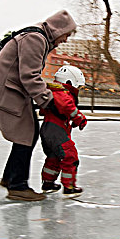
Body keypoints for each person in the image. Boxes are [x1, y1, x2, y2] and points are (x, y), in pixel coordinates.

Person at [0, 10, 77, 201]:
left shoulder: (38, 37)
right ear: (59, 29)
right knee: (27, 135)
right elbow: (29, 76)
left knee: (26, 134)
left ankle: (10, 177)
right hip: (8, 91)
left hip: (12, 90)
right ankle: (17, 186)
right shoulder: (36, 38)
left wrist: (45, 92)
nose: (66, 40)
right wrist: (49, 101)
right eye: (67, 35)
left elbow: (28, 74)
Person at [39, 65, 87, 198]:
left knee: (53, 157)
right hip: (56, 131)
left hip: (48, 129)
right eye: (78, 86)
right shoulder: (62, 93)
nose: (78, 90)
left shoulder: (53, 92)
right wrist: (80, 119)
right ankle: (69, 186)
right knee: (70, 156)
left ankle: (48, 182)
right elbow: (68, 107)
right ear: (70, 82)